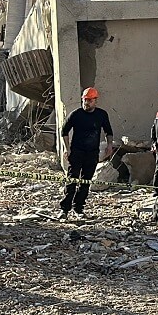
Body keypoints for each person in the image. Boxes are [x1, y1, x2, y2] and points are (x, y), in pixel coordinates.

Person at [59, 87, 114, 220]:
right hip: (77, 152)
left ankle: (79, 208)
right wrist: (67, 148)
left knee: (86, 182)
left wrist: (109, 146)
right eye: (85, 100)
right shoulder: (76, 114)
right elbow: (64, 131)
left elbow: (108, 131)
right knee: (72, 180)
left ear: (95, 101)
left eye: (89, 100)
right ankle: (65, 209)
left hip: (92, 153)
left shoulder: (101, 115)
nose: (86, 103)